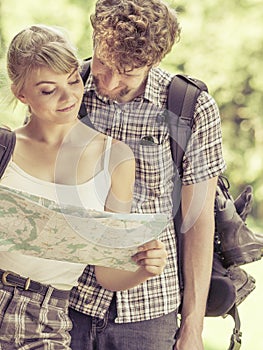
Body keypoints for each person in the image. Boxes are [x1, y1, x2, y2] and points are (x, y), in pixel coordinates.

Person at [68, 1, 226, 350]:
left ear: (153, 62)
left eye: (126, 71)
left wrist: (193, 328)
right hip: (67, 301)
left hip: (149, 312)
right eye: (103, 63)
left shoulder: (190, 107)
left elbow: (198, 221)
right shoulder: (69, 90)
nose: (108, 81)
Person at [0, 24, 167, 349]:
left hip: (44, 319)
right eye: (49, 89)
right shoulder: (3, 147)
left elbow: (107, 272)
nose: (68, 97)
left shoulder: (114, 158)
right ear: (22, 94)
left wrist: (144, 269)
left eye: (74, 80)